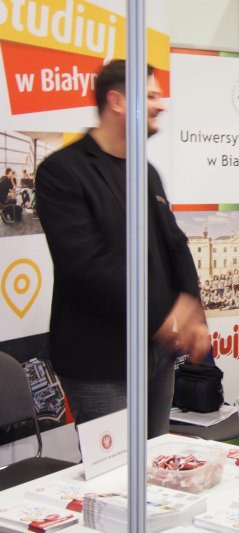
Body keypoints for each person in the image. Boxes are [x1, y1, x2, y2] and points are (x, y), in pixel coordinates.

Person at [35, 60, 209, 439]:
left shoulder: (146, 171)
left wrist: (193, 312)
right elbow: (86, 266)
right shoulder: (62, 171)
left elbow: (175, 245)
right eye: (150, 96)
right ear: (117, 101)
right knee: (116, 471)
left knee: (156, 462)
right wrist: (162, 314)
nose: (161, 105)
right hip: (100, 360)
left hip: (156, 354)